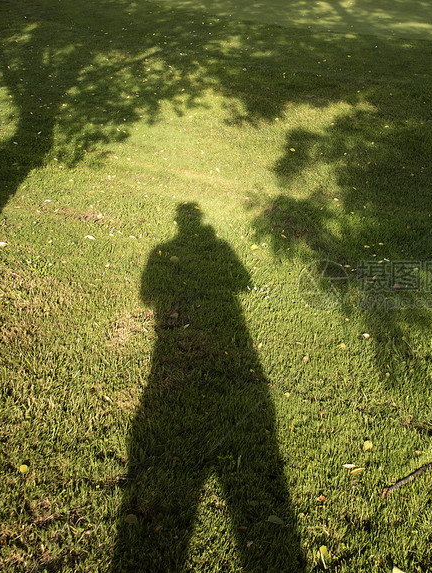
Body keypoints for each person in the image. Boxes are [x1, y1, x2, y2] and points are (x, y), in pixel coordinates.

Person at [112, 202, 302, 571]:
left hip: (168, 357)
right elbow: (243, 281)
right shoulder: (214, 246)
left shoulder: (162, 252)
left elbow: (147, 294)